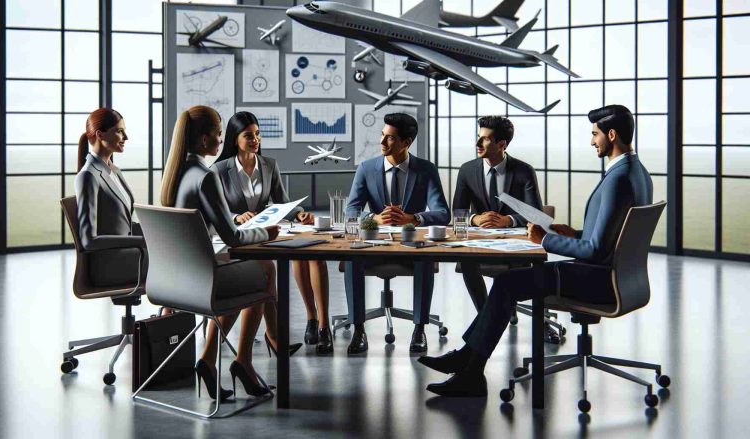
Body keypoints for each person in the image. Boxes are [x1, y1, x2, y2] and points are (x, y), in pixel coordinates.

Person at [420, 105, 653, 397]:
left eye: (595, 134)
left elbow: (594, 250)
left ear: (612, 134)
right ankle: (468, 361)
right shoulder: (638, 172)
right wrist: (575, 233)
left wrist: (544, 240)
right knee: (510, 283)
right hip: (617, 277)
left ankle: (471, 369)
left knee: (507, 284)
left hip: (598, 280)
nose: (592, 141)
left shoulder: (618, 178)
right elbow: (609, 239)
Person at [160, 105, 286, 401]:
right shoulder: (205, 176)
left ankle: (210, 358)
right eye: (218, 135)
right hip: (201, 280)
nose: (221, 141)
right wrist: (265, 233)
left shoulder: (180, 172)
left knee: (249, 269)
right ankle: (242, 361)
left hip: (177, 276)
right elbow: (231, 235)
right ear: (204, 139)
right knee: (265, 270)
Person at [212, 111, 333, 355]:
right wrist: (236, 217)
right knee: (266, 270)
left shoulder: (269, 165)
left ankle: (286, 334)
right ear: (235, 138)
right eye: (249, 135)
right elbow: (216, 211)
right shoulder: (219, 170)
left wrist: (298, 214)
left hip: (263, 234)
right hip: (235, 238)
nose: (255, 139)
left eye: (257, 134)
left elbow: (282, 201)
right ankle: (274, 337)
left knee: (294, 258)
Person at [344, 113, 450, 354]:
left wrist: (413, 218)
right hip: (375, 244)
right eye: (382, 135)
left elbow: (443, 213)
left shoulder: (426, 170)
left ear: (407, 142)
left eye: (390, 138)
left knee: (424, 258)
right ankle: (359, 329)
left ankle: (419, 329)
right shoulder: (366, 168)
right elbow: (350, 210)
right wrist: (374, 219)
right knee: (352, 258)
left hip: (410, 244)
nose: (382, 142)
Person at [452, 116, 559, 343]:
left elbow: (535, 215)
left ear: (502, 145)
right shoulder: (467, 170)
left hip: (515, 245)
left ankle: (529, 320)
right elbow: (457, 214)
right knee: (465, 260)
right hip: (478, 243)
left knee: (522, 268)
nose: (478, 144)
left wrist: (507, 220)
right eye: (478, 137)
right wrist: (475, 219)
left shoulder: (523, 171)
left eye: (485, 139)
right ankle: (486, 318)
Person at [75, 108, 146, 287]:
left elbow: (124, 223)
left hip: (129, 254)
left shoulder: (114, 171)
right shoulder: (88, 176)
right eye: (120, 131)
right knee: (178, 262)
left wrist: (158, 230)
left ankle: (173, 312)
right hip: (110, 265)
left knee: (178, 255)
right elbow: (88, 240)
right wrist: (143, 241)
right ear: (100, 135)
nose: (126, 137)